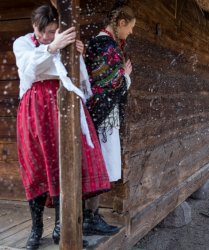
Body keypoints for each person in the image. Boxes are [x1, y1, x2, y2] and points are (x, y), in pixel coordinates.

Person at [13, 4, 111, 249]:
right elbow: (29, 69)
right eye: (43, 31)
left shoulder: (62, 42)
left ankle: (61, 227)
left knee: (63, 163)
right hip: (34, 107)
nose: (46, 36)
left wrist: (75, 54)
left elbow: (74, 74)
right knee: (35, 165)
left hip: (62, 104)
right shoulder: (22, 43)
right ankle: (36, 229)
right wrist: (53, 48)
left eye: (52, 31)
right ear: (34, 26)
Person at [83, 2, 136, 235]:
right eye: (130, 27)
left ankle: (89, 216)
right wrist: (125, 75)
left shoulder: (99, 44)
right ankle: (90, 218)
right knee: (101, 164)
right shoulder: (107, 46)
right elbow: (112, 83)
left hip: (97, 112)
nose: (131, 33)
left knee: (99, 164)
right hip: (103, 116)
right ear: (121, 23)